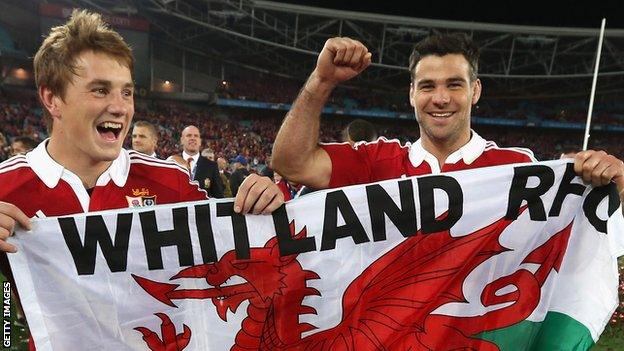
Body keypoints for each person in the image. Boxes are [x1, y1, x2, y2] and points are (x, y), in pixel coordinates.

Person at [0, 7, 283, 324]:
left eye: (127, 92)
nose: (120, 107)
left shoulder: (170, 181)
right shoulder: (6, 190)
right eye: (100, 90)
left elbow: (233, 251)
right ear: (52, 99)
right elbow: (8, 316)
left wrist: (264, 208)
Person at [271, 34, 624, 206]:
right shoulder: (374, 161)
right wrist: (322, 81)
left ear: (476, 91)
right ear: (411, 94)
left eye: (454, 84)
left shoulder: (518, 168)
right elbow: (291, 163)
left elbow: (600, 212)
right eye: (427, 86)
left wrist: (614, 177)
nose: (440, 98)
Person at [168, 125, 224, 198]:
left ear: (200, 141)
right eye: (189, 135)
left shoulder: (211, 166)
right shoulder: (172, 162)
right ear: (182, 140)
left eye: (196, 136)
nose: (193, 138)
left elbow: (218, 196)